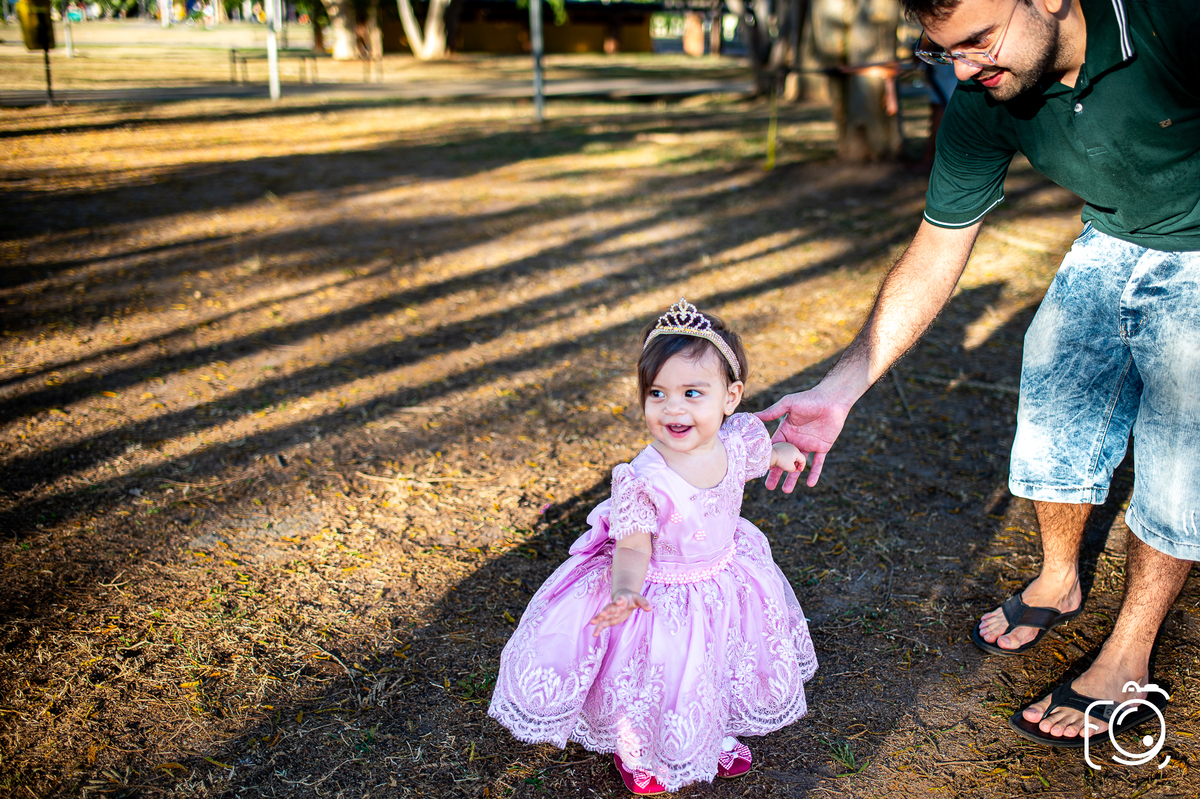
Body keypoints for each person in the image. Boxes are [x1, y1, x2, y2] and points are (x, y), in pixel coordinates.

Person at [757, 0, 1199, 749]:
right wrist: (843, 387)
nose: (961, 67)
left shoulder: (1167, 23)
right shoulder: (987, 94)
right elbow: (937, 249)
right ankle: (1059, 578)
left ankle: (1129, 653)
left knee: (1178, 461)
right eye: (943, 51)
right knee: (1052, 418)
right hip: (1112, 232)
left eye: (976, 41)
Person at [489, 299, 817, 794]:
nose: (673, 408)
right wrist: (624, 589)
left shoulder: (735, 441)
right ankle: (641, 746)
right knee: (659, 675)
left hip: (723, 578)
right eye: (657, 394)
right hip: (661, 591)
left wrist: (781, 451)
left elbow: (759, 455)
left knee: (715, 660)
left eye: (691, 392)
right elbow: (634, 546)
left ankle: (708, 730)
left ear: (731, 397)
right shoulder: (644, 479)